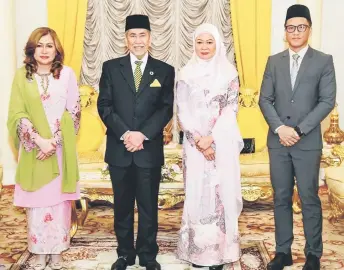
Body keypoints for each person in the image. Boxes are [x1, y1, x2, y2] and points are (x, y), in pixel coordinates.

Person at [259, 4, 336, 270]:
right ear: (285, 31)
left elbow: (327, 101)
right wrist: (281, 128)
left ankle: (313, 253)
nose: (295, 32)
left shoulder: (323, 60)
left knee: (309, 197)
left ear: (309, 30)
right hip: (278, 142)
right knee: (280, 197)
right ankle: (283, 252)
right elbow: (264, 99)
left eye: (301, 27)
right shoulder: (274, 61)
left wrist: (299, 130)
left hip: (307, 143)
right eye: (291, 27)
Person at [97, 14, 175, 270]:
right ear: (126, 39)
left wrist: (142, 134)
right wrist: (126, 134)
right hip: (120, 149)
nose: (138, 40)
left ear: (150, 38)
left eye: (142, 35)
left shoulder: (164, 70)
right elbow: (105, 106)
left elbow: (165, 109)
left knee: (148, 204)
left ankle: (148, 254)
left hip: (148, 148)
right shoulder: (111, 67)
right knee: (122, 205)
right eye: (133, 35)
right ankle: (124, 254)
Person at [7, 27, 81, 270]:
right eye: (40, 45)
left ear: (56, 48)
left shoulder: (67, 74)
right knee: (37, 201)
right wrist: (38, 140)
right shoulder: (22, 76)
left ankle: (58, 249)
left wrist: (55, 142)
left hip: (60, 149)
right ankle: (38, 250)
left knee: (58, 202)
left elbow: (74, 113)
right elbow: (17, 114)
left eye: (49, 45)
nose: (45, 50)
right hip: (33, 148)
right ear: (32, 49)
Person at [176, 23, 243, 270]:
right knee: (198, 194)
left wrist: (212, 138)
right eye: (199, 42)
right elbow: (182, 110)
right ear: (194, 45)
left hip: (221, 144)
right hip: (195, 148)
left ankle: (220, 252)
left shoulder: (229, 73)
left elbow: (231, 109)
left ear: (217, 44)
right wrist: (200, 141)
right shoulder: (185, 73)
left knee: (219, 196)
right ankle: (199, 253)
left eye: (209, 42)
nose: (204, 47)